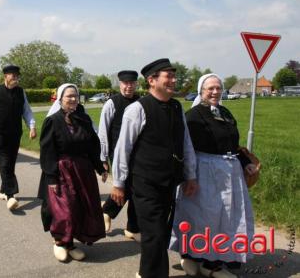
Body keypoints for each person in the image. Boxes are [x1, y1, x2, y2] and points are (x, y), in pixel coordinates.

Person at [111, 58, 198, 278]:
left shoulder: (177, 107)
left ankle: (145, 272)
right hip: (145, 182)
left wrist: (191, 175)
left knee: (160, 232)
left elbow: (185, 142)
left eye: (173, 76)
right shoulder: (137, 109)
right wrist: (118, 183)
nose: (173, 80)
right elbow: (123, 149)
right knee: (154, 234)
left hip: (170, 182)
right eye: (168, 76)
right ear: (152, 80)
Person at [169, 74, 258, 278]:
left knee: (226, 218)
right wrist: (184, 176)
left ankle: (213, 261)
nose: (215, 92)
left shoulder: (225, 113)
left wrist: (246, 163)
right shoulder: (192, 116)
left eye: (218, 88)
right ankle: (190, 256)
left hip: (230, 173)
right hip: (204, 171)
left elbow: (232, 144)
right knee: (200, 218)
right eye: (210, 88)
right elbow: (183, 148)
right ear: (201, 91)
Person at [38, 83, 108, 262]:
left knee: (81, 208)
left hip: (83, 171)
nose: (73, 99)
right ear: (60, 99)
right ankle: (60, 242)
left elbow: (92, 147)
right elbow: (47, 152)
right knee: (65, 210)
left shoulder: (83, 119)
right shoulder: (52, 121)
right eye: (69, 96)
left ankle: (71, 243)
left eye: (75, 96)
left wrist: (100, 167)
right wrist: (51, 177)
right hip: (62, 171)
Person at [0, 65, 37, 211]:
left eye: (17, 75)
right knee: (4, 162)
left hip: (15, 133)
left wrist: (32, 126)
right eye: (13, 75)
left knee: (10, 163)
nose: (16, 78)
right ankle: (10, 195)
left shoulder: (21, 92)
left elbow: (27, 111)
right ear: (5, 76)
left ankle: (3, 190)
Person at [98, 70, 141, 240]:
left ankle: (114, 216)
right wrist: (103, 159)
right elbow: (103, 132)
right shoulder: (112, 103)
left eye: (132, 83)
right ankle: (115, 216)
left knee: (135, 188)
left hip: (138, 154)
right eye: (125, 83)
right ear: (120, 84)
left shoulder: (140, 102)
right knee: (129, 187)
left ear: (136, 84)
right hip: (118, 154)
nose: (128, 86)